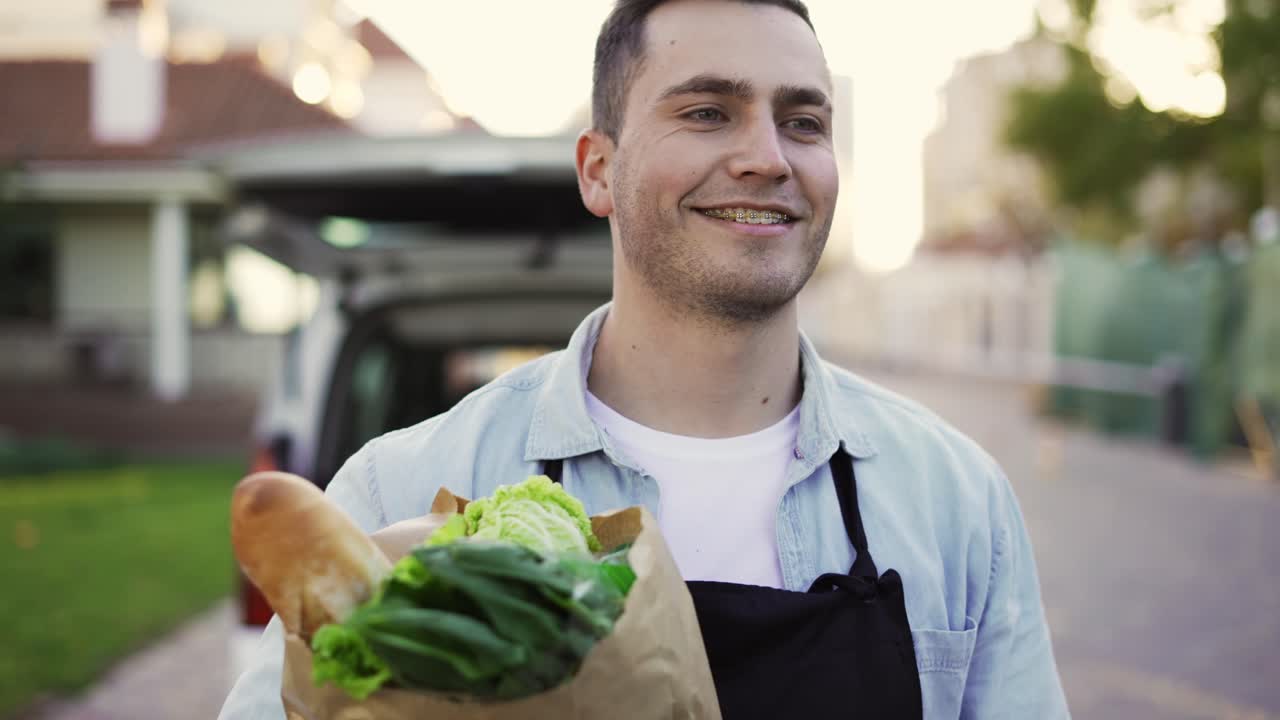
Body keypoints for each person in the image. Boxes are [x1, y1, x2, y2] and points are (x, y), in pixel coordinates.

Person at [219, 0, 1070, 717]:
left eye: (803, 122)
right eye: (707, 112)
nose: (768, 157)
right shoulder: (399, 489)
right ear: (598, 171)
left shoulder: (955, 503)